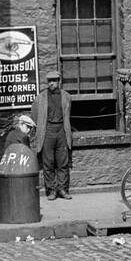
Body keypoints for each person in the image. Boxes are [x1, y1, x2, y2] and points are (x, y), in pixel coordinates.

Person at [33, 70, 73, 200]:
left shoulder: (66, 96)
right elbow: (34, 114)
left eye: (54, 81)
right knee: (48, 163)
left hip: (61, 130)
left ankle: (62, 189)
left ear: (59, 81)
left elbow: (68, 114)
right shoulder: (41, 98)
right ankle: (51, 191)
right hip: (47, 131)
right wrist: (41, 127)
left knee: (63, 163)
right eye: (49, 81)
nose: (52, 84)